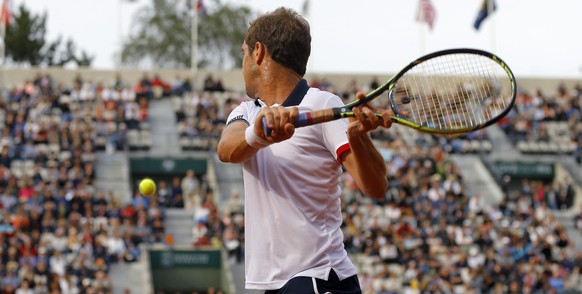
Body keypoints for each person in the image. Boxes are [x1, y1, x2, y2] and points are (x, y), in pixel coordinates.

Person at [216, 7, 393, 293]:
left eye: (243, 53)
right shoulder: (246, 112)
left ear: (258, 52)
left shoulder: (323, 104)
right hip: (271, 283)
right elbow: (227, 149)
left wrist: (359, 139)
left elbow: (375, 187)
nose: (243, 62)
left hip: (318, 276)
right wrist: (259, 133)